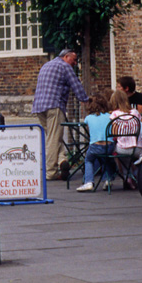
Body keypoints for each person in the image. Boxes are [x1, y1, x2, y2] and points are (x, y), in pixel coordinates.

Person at [31, 49, 89, 182]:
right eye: (73, 60)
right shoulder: (65, 67)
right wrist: (86, 100)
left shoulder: (47, 65)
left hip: (39, 106)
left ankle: (62, 160)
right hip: (54, 106)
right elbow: (76, 86)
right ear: (66, 56)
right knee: (53, 139)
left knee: (53, 136)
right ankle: (50, 172)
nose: (74, 63)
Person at [75, 94, 113, 192]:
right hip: (109, 146)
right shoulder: (110, 116)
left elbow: (85, 126)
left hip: (95, 145)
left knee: (88, 160)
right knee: (106, 160)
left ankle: (88, 182)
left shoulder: (89, 118)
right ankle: (107, 179)